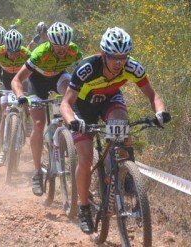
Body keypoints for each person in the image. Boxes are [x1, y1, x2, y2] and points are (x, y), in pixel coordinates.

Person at [59, 27, 171, 234]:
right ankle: (84, 208)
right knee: (84, 157)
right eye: (114, 57)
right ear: (103, 55)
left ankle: (127, 173)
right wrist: (72, 121)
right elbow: (65, 103)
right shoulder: (86, 69)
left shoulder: (133, 67)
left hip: (110, 99)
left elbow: (152, 95)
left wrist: (160, 112)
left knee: (122, 129)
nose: (120, 62)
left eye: (123, 57)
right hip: (82, 106)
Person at [11, 22, 83, 196]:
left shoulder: (74, 50)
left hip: (59, 78)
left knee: (70, 88)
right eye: (58, 46)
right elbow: (16, 80)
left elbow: (84, 74)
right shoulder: (40, 53)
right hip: (37, 83)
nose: (62, 50)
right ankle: (37, 173)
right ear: (50, 42)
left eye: (65, 46)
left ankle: (69, 138)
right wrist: (21, 96)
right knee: (38, 123)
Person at [0, 29, 32, 165]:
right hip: (6, 82)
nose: (13, 54)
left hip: (22, 80)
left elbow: (35, 71)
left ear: (20, 48)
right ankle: (3, 150)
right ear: (5, 47)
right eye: (10, 51)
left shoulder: (26, 53)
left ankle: (27, 118)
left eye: (16, 51)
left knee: (25, 99)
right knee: (5, 112)